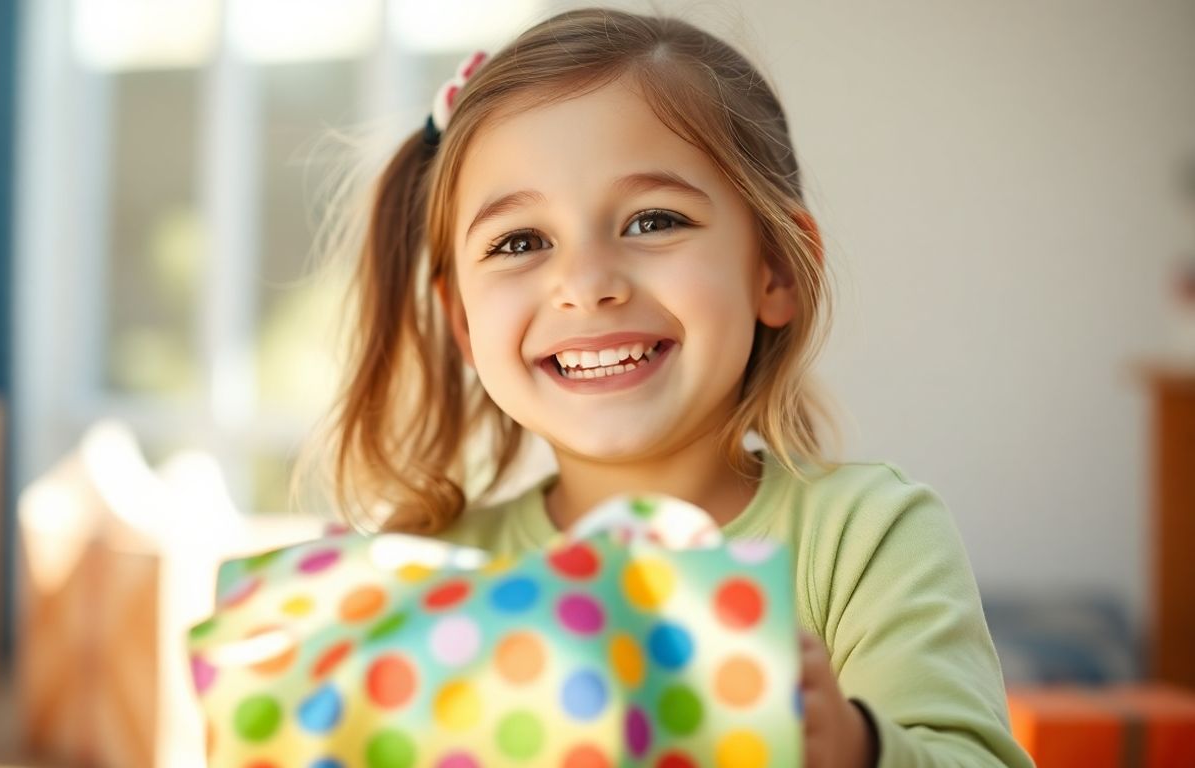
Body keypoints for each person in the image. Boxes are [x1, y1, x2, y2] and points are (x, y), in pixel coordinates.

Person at [309, 7, 1034, 767]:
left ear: (777, 270)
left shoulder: (865, 539)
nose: (586, 285)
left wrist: (850, 746)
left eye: (653, 221)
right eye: (520, 242)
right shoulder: (429, 573)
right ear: (461, 319)